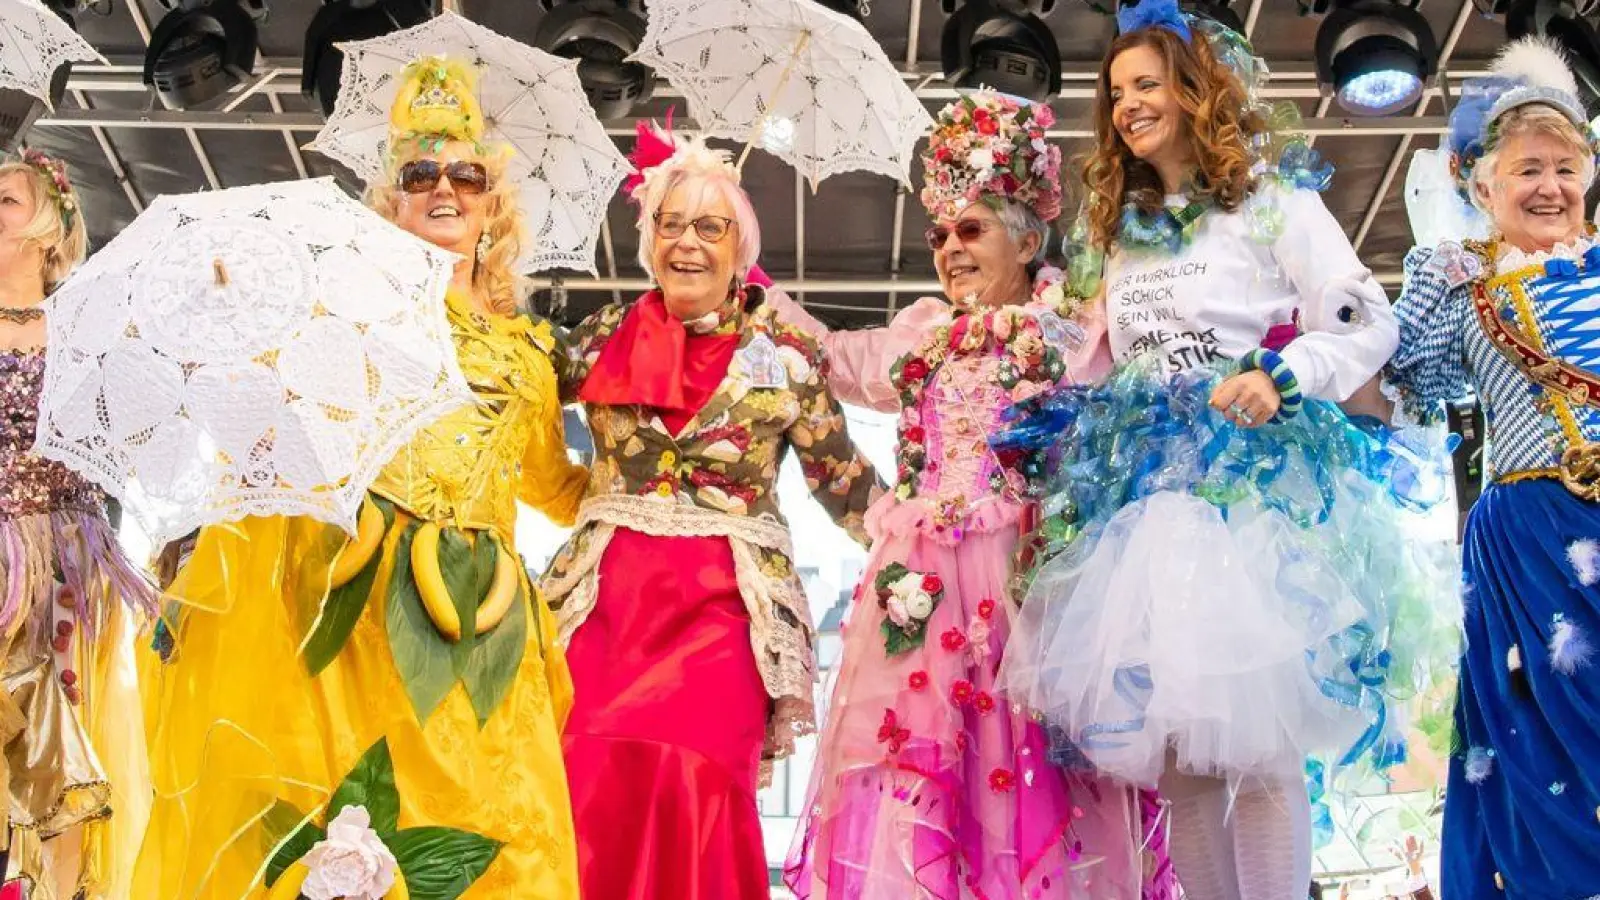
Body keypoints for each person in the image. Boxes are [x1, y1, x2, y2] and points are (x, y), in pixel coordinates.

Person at [993, 2, 1456, 899]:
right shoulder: (1117, 236)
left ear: (1194, 89)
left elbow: (1367, 317)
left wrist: (1283, 375)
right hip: (1145, 505)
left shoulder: (1269, 200)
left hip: (1254, 492)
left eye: (1147, 83)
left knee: (1263, 753)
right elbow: (1100, 358)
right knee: (1186, 771)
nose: (1128, 105)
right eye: (1116, 90)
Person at [135, 57, 587, 898]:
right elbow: (276, 437)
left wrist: (650, 484)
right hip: (357, 600)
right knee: (359, 820)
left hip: (483, 615)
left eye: (466, 174)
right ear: (392, 198)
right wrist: (243, 330)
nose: (443, 189)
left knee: (493, 822)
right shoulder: (339, 313)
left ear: (494, 203)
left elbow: (551, 486)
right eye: (420, 174)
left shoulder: (529, 352)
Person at [773, 93, 1174, 900]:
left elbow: (1143, 390)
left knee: (1034, 776)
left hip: (1032, 585)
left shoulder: (1077, 324)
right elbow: (832, 358)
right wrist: (754, 287)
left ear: (1028, 239)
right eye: (940, 235)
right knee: (920, 785)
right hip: (923, 591)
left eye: (971, 231)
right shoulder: (924, 329)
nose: (950, 250)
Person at [540, 130, 880, 899]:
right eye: (670, 223)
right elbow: (506, 400)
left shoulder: (787, 355)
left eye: (709, 226)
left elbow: (845, 483)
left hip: (722, 615)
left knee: (696, 784)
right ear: (647, 237)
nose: (686, 242)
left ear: (740, 247)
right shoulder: (597, 342)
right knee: (582, 777)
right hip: (605, 611)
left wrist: (938, 542)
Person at [1384, 36, 1600, 900]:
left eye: (1566, 168)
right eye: (1527, 170)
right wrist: (1432, 275)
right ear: (1483, 187)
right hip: (1529, 534)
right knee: (1549, 733)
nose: (1550, 187)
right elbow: (1416, 380)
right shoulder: (1467, 283)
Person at [0, 149, 155, 900]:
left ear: (50, 223)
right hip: (1, 563)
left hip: (74, 561)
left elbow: (131, 438)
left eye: (5, 199)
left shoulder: (93, 328)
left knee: (75, 746)